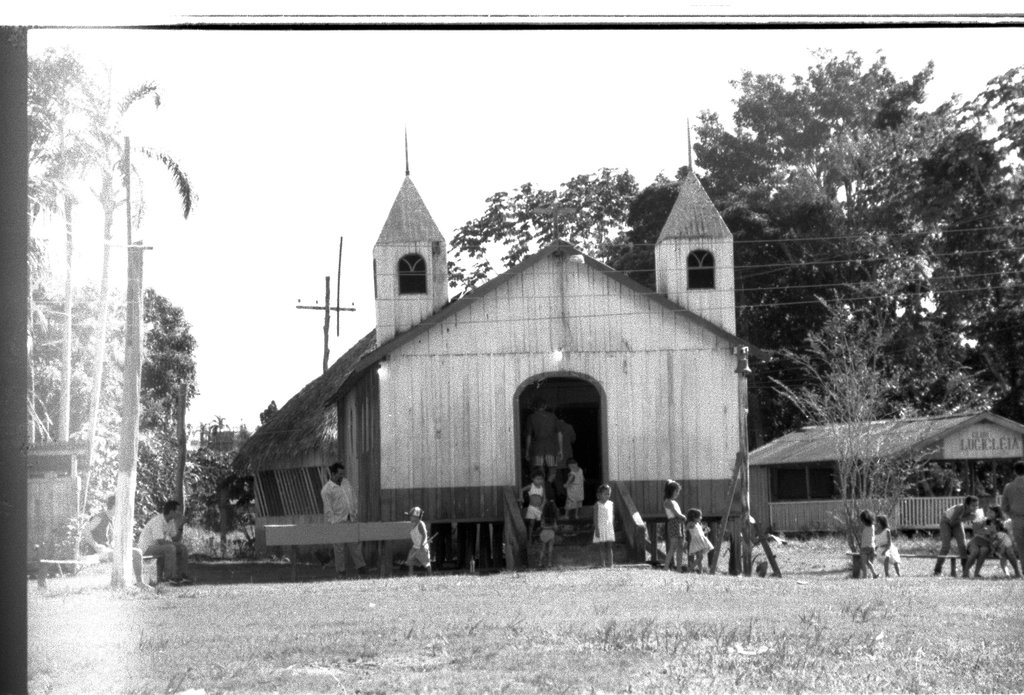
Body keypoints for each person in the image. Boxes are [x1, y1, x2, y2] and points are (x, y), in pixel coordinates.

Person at [320, 462, 367, 577]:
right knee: (339, 548)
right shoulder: (327, 490)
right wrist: (333, 523)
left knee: (355, 544)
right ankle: (341, 572)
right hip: (338, 522)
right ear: (333, 473)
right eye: (339, 474)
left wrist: (355, 512)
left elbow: (353, 498)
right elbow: (328, 509)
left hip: (351, 519)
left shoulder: (346, 482)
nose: (342, 476)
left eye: (343, 473)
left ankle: (361, 568)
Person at [137, 500, 192, 585]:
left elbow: (176, 539)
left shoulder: (170, 521)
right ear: (171, 511)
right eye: (177, 510)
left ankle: (182, 576)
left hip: (157, 547)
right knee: (170, 548)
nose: (179, 513)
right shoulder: (157, 521)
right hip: (146, 549)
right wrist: (174, 545)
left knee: (182, 548)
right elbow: (161, 541)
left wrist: (181, 526)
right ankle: (170, 578)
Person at [933, 495, 979, 576]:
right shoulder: (960, 508)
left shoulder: (975, 511)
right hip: (946, 522)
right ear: (967, 505)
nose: (975, 507)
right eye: (973, 505)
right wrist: (967, 518)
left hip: (957, 523)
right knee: (946, 546)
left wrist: (976, 520)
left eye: (976, 505)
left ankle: (965, 570)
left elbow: (975, 523)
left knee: (962, 545)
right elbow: (952, 522)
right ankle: (937, 570)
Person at [524, 398, 562, 492]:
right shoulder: (553, 416)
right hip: (551, 447)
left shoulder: (532, 417)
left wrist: (527, 451)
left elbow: (528, 436)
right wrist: (560, 449)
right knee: (552, 470)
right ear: (545, 406)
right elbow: (559, 433)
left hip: (538, 448)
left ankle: (543, 490)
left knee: (539, 472)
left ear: (534, 407)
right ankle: (548, 486)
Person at [81, 495, 115, 562]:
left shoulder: (113, 519)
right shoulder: (100, 517)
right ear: (114, 506)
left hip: (107, 550)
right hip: (96, 550)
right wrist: (95, 545)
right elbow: (86, 531)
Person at [1002, 460, 1024, 559]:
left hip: (1017, 519)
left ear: (1015, 472)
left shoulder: (1009, 487)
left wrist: (1013, 516)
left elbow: (1004, 507)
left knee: (1021, 548)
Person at [663, 481, 685, 572]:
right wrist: (683, 516)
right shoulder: (668, 502)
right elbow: (676, 514)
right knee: (673, 546)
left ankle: (679, 569)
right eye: (676, 491)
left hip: (679, 523)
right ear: (671, 491)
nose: (677, 493)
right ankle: (666, 567)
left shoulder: (674, 502)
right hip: (673, 523)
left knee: (680, 546)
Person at [593, 484, 615, 568]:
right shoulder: (597, 505)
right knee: (602, 546)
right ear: (600, 494)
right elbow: (595, 518)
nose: (607, 495)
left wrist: (612, 526)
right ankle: (602, 564)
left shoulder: (611, 503)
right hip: (600, 527)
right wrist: (597, 529)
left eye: (609, 494)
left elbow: (612, 515)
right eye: (605, 494)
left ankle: (611, 564)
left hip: (609, 527)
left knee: (609, 546)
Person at [405, 506, 432, 576]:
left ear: (416, 517)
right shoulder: (412, 524)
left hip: (422, 546)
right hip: (415, 546)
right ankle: (410, 574)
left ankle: (430, 575)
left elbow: (424, 534)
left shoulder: (420, 524)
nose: (410, 518)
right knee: (410, 560)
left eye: (411, 516)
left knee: (426, 562)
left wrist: (422, 544)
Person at [685, 508, 714, 574]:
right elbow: (686, 529)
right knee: (700, 557)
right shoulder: (691, 523)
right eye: (699, 516)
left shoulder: (698, 524)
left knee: (699, 557)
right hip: (696, 541)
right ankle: (689, 569)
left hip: (701, 540)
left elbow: (700, 533)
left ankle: (700, 572)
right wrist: (685, 540)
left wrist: (706, 531)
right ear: (694, 517)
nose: (701, 518)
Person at [521, 469, 546, 540]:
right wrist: (521, 498)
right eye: (537, 479)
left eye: (541, 479)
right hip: (532, 507)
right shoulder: (531, 486)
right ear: (533, 479)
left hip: (539, 508)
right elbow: (521, 490)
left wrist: (542, 505)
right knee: (531, 524)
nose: (539, 481)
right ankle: (529, 538)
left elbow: (544, 498)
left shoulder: (542, 488)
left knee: (542, 523)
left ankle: (541, 537)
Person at [857, 509, 878, 579]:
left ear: (863, 520)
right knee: (868, 562)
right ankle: (874, 573)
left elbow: (861, 534)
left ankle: (864, 576)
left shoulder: (863, 527)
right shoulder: (873, 526)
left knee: (864, 563)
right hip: (871, 547)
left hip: (864, 547)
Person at [538, 500, 559, 569]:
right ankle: (549, 563)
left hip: (543, 533)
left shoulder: (543, 516)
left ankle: (540, 563)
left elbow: (541, 526)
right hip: (551, 533)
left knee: (542, 549)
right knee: (550, 549)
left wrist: (546, 527)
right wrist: (552, 527)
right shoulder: (553, 517)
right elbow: (555, 528)